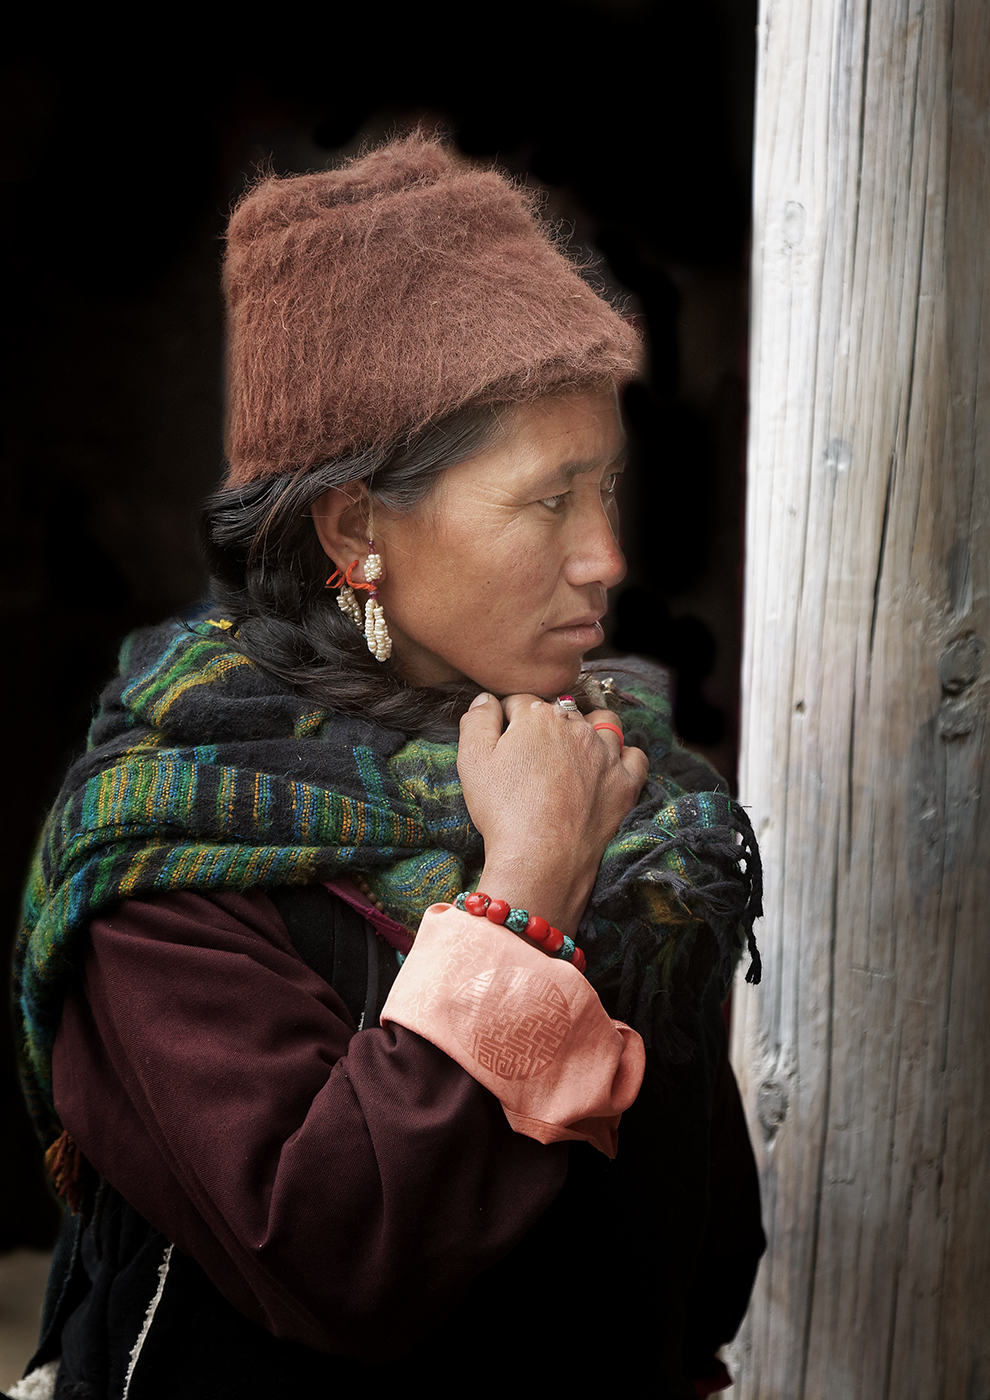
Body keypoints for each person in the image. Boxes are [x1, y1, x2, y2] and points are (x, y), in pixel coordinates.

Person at [12, 132, 764, 1400]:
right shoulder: (166, 861)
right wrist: (522, 901)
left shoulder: (614, 795)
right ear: (359, 529)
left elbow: (698, 1265)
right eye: (548, 500)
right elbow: (338, 1256)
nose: (606, 557)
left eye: (610, 489)